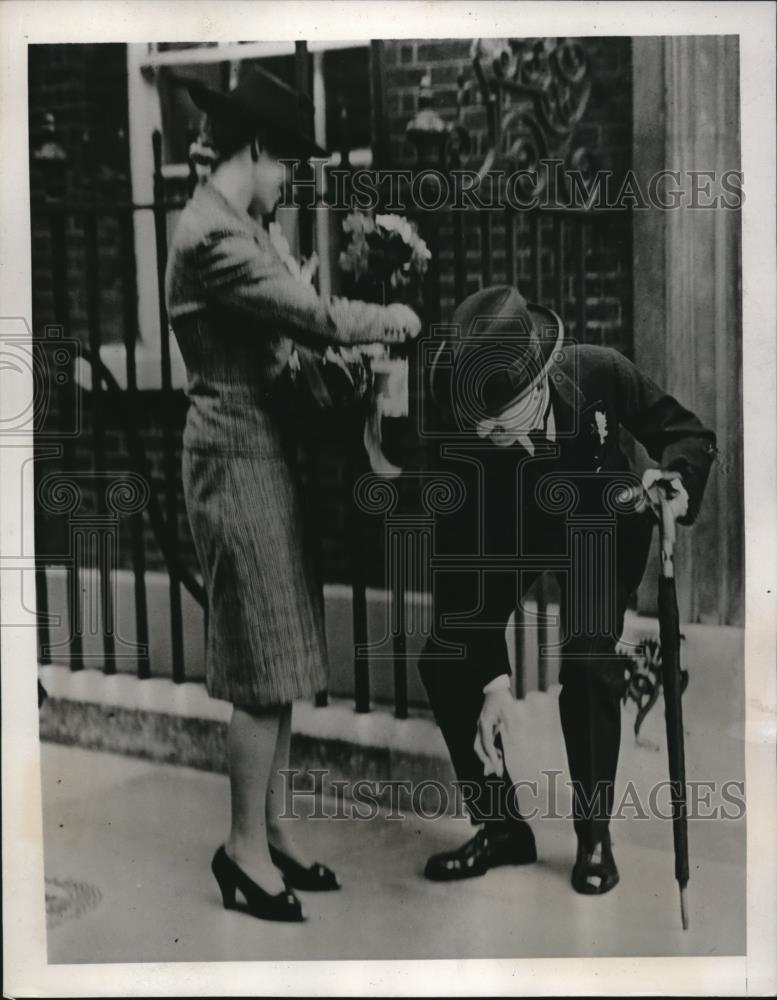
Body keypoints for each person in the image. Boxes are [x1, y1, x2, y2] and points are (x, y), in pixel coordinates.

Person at [165, 66, 421, 923]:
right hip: (231, 455)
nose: (289, 184)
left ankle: (270, 833)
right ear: (253, 151)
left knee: (280, 655)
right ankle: (241, 851)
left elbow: (288, 347)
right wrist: (388, 319)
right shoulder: (211, 236)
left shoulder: (241, 223)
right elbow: (307, 317)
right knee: (257, 665)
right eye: (285, 168)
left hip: (260, 452)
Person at [419, 284, 716, 894]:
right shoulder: (464, 430)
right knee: (446, 657)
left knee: (586, 661)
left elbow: (685, 432)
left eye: (501, 415)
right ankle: (501, 827)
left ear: (539, 385)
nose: (486, 431)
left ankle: (594, 833)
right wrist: (492, 680)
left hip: (597, 529)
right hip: (508, 537)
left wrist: (677, 481)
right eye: (477, 418)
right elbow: (455, 567)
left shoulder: (599, 373)